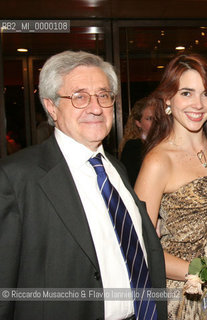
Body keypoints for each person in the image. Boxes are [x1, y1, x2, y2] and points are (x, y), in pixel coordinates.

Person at [0, 51, 167, 320]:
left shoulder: (116, 169)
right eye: (79, 96)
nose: (96, 107)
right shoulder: (16, 179)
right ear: (51, 106)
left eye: (103, 95)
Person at [134, 53, 207, 320]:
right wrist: (206, 272)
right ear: (167, 99)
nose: (198, 104)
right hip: (188, 296)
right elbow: (142, 248)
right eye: (186, 93)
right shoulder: (158, 161)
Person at [119, 96, 156, 184]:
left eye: (157, 117)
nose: (155, 122)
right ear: (138, 123)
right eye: (149, 119)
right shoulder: (132, 147)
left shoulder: (164, 142)